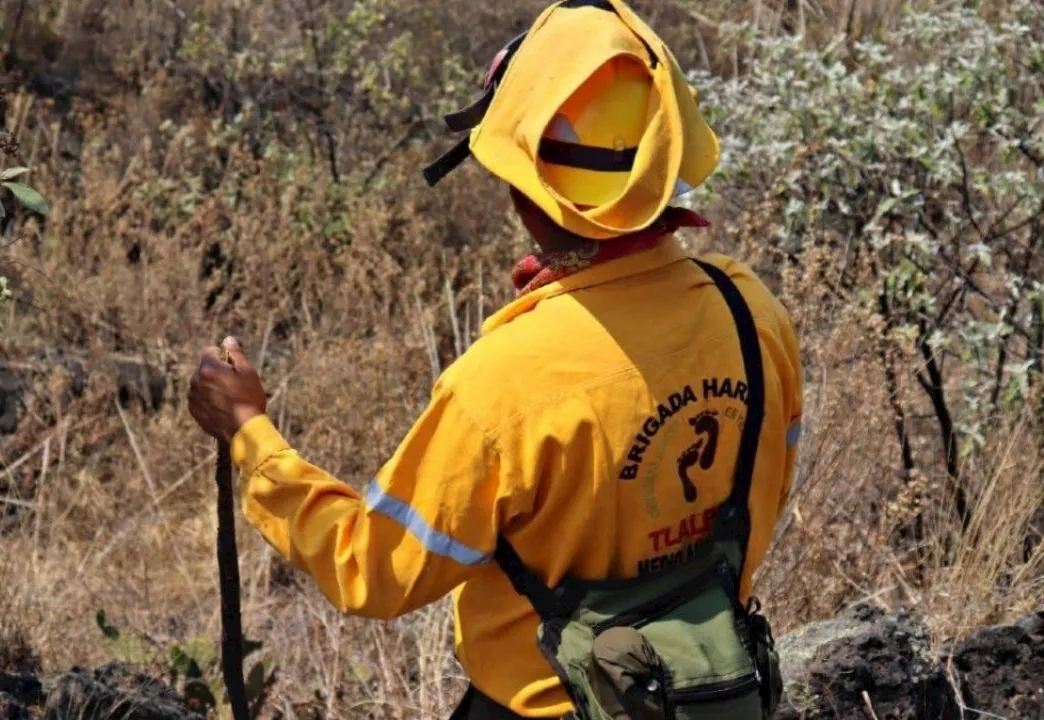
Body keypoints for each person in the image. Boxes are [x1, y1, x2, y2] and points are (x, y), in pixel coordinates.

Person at [188, 1, 804, 718]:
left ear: (522, 192)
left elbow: (373, 570)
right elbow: (763, 474)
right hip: (713, 694)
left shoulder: (508, 379)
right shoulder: (750, 310)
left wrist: (249, 434)